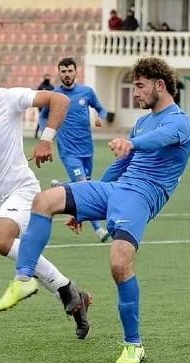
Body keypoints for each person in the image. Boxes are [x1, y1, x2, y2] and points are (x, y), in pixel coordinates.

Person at [0, 57, 190, 363]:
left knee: (119, 265)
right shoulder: (142, 122)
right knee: (45, 200)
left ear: (160, 85)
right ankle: (24, 278)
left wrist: (132, 143)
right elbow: (120, 167)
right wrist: (87, 206)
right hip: (117, 190)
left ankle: (133, 345)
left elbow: (160, 139)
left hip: (143, 197)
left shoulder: (180, 121)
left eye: (139, 86)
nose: (135, 93)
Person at [0, 47, 91, 339]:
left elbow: (60, 100)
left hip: (22, 189)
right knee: (22, 250)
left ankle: (52, 287)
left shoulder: (8, 98)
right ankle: (73, 295)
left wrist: (46, 139)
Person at [38, 57, 109, 242]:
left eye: (70, 71)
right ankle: (99, 229)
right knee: (85, 187)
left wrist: (99, 117)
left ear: (76, 72)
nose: (67, 74)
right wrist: (47, 135)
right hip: (69, 151)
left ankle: (61, 187)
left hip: (87, 149)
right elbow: (43, 117)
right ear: (59, 73)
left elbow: (102, 110)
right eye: (63, 71)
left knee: (84, 184)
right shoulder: (55, 95)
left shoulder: (87, 92)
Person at [34, 74, 54, 138]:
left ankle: (47, 134)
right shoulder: (41, 87)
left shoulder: (51, 87)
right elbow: (37, 96)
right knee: (41, 119)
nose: (47, 79)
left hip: (49, 106)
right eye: (46, 77)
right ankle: (37, 132)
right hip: (41, 107)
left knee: (49, 121)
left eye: (48, 77)